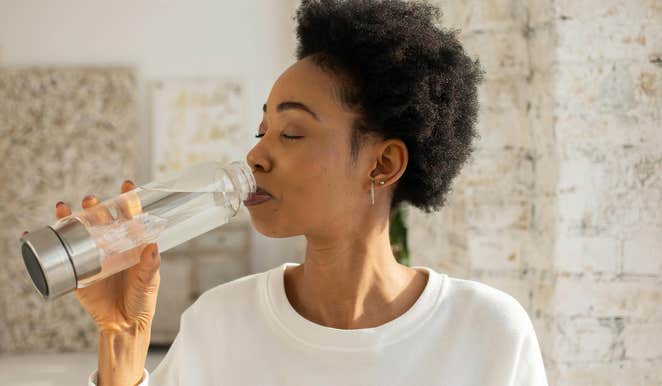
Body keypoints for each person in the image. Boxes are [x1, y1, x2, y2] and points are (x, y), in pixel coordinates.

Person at [28, 1, 549, 385]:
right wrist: (121, 342)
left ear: (383, 164)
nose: (256, 156)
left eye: (292, 133)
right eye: (261, 132)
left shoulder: (487, 333)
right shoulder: (220, 323)